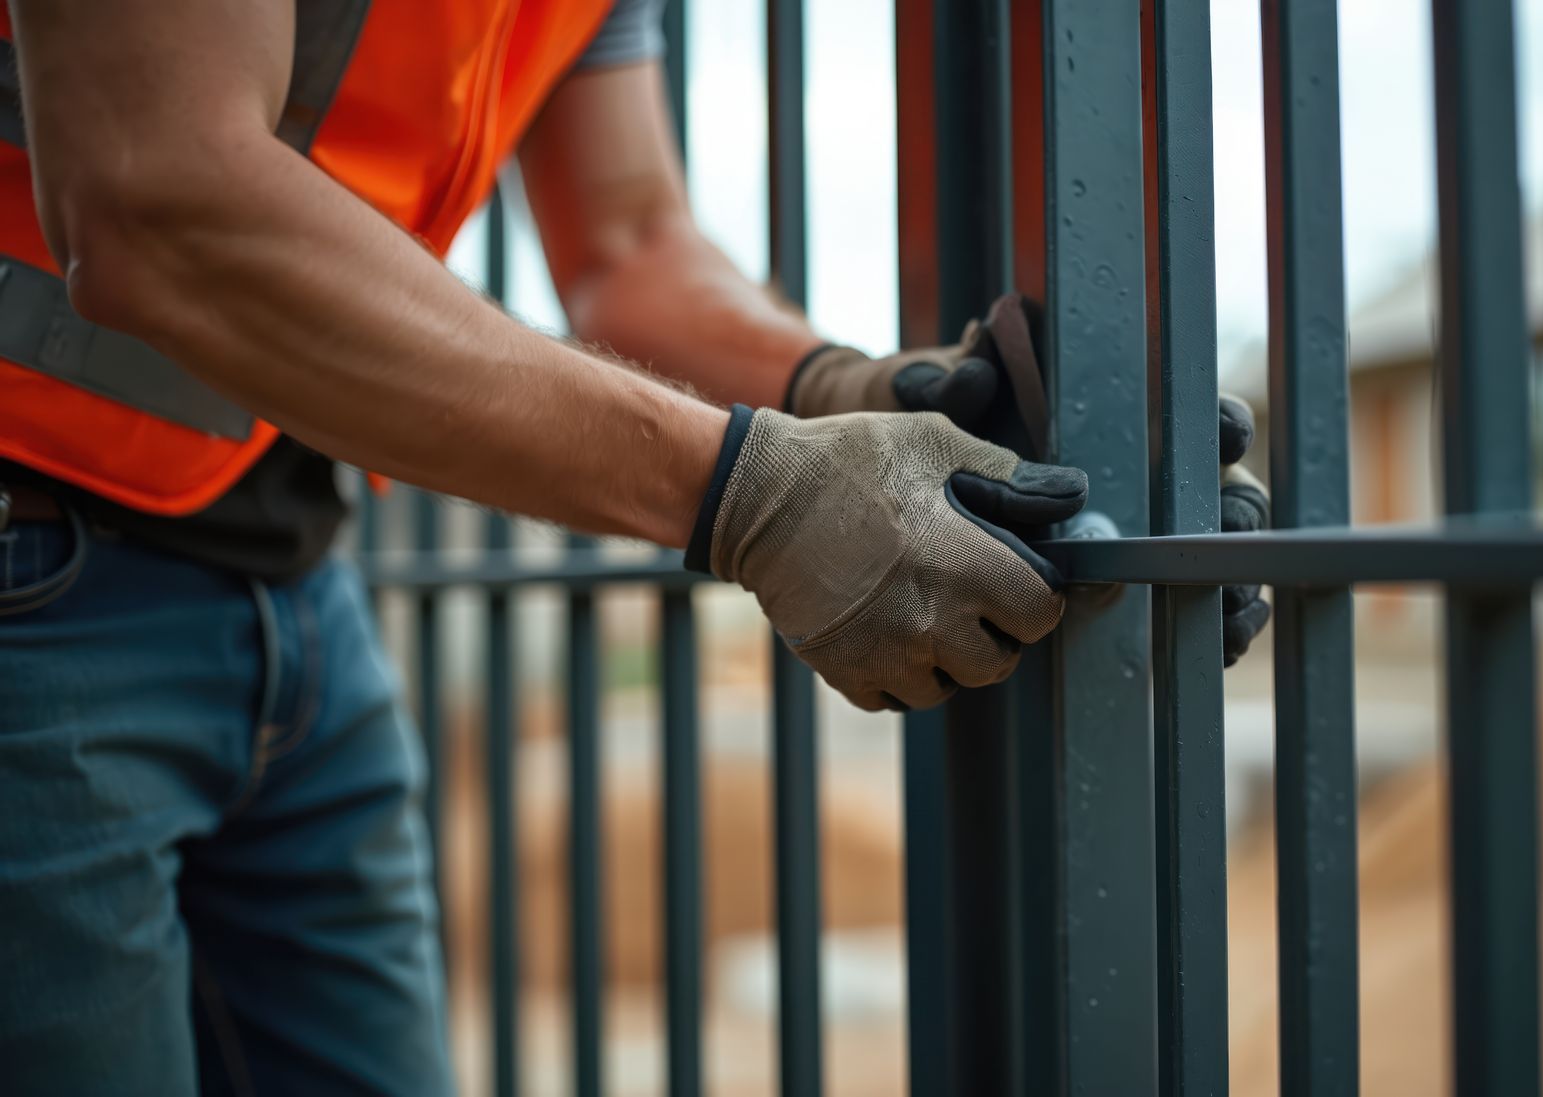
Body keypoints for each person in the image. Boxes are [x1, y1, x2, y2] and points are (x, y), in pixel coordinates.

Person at [0, 1, 1269, 1093]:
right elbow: (152, 191)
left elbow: (629, 248)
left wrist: (857, 394)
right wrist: (753, 493)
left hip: (289, 579)